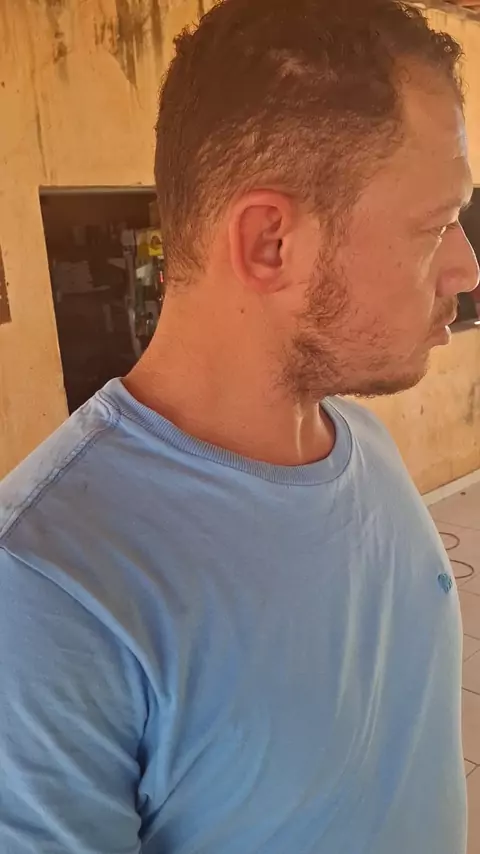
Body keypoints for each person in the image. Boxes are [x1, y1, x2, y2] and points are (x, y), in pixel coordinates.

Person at [1, 0, 478, 851]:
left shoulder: (360, 443)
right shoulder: (45, 590)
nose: (466, 268)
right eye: (435, 226)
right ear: (270, 243)